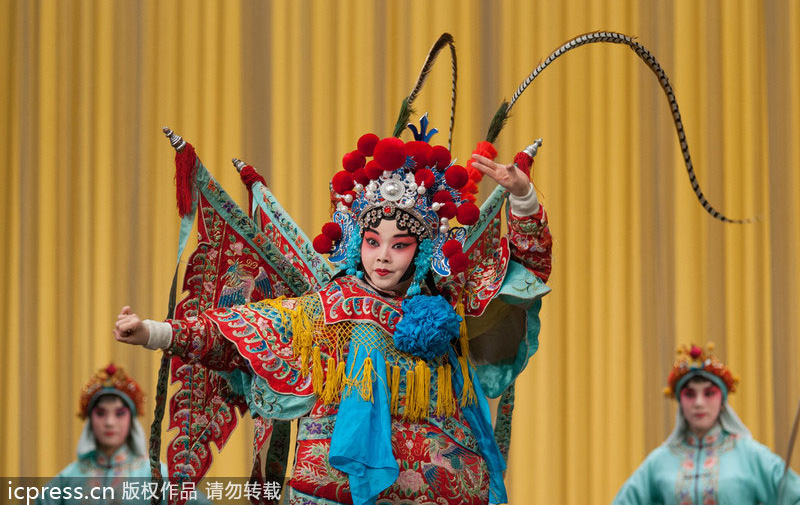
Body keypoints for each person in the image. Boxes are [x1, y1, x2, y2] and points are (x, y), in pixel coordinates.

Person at [115, 128, 553, 505]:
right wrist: (153, 332)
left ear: (421, 251)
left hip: (441, 486)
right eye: (372, 242)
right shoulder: (326, 308)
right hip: (336, 487)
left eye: (399, 244)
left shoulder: (447, 300)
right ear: (355, 244)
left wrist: (522, 197)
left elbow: (525, 269)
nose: (382, 257)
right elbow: (234, 333)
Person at [613, 342, 800, 504]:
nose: (699, 403)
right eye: (690, 394)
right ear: (680, 401)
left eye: (709, 393)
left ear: (722, 401)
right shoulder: (660, 461)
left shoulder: (750, 456)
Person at [38, 363, 171, 504]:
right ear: (90, 421)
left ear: (131, 421)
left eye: (119, 414)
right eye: (101, 413)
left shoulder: (156, 476)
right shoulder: (68, 479)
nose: (109, 422)